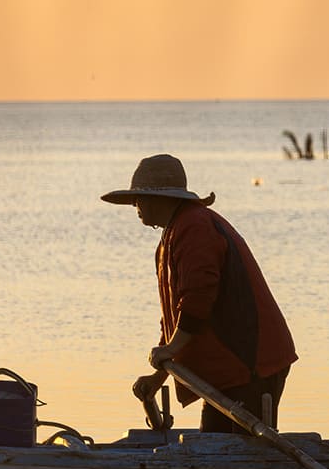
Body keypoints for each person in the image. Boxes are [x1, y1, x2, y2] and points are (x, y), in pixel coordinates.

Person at [102, 154, 297, 434]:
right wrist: (159, 374)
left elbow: (198, 299)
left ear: (161, 199)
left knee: (241, 454)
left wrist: (170, 350)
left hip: (250, 364)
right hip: (226, 372)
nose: (135, 205)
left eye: (140, 197)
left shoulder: (194, 228)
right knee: (214, 445)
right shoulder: (175, 232)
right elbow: (176, 315)